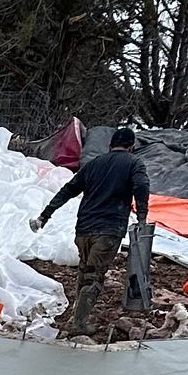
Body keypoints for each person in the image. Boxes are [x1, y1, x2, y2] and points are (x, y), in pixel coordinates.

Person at [36, 124, 151, 339]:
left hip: (84, 229)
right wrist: (142, 217)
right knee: (94, 277)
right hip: (108, 229)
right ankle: (79, 324)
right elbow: (141, 186)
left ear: (110, 145)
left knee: (84, 270)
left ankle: (75, 316)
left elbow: (68, 189)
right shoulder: (134, 163)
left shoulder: (94, 164)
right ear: (131, 146)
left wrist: (46, 213)